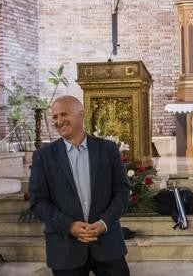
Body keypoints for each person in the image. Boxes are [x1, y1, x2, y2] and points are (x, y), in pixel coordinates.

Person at [29, 95, 131, 276]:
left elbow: (122, 191)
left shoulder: (108, 149)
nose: (59, 121)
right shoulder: (43, 156)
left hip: (107, 244)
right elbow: (38, 201)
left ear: (81, 115)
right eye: (55, 117)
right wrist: (69, 226)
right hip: (65, 247)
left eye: (64, 115)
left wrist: (104, 223)